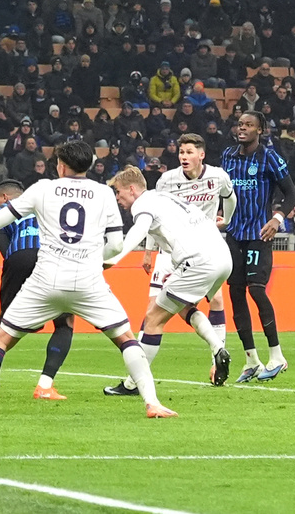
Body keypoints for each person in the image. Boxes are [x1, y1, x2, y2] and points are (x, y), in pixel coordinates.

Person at [0, 141, 176, 419]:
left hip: (46, 279)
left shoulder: (42, 189)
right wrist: (97, 259)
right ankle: (152, 403)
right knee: (126, 340)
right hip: (88, 280)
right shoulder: (104, 193)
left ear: (61, 165)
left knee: (1, 339)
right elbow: (115, 245)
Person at [109, 133, 236, 395]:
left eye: (118, 192)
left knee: (153, 318)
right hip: (221, 255)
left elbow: (137, 231)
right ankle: (217, 348)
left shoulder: (143, 204)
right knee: (183, 306)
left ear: (131, 189)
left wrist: (112, 259)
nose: (118, 198)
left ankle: (134, 384)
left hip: (197, 259)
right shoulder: (167, 196)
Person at [0, 179, 73, 401]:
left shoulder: (2, 211)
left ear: (5, 198)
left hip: (19, 259)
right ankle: (45, 386)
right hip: (51, 260)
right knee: (64, 323)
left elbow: (5, 250)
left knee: (5, 322)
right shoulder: (46, 204)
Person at [221, 111, 295, 382]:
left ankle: (276, 355)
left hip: (259, 234)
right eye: (240, 124)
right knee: (236, 293)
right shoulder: (227, 156)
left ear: (260, 130)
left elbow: (292, 193)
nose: (242, 128)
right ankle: (251, 359)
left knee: (256, 289)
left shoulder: (269, 157)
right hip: (233, 234)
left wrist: (277, 219)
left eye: (249, 125)